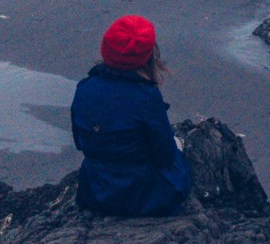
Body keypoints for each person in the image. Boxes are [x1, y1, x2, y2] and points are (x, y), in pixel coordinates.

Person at [71, 15, 193, 217]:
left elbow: (80, 142)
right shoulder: (146, 96)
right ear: (148, 56)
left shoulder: (84, 88)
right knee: (178, 153)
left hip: (95, 190)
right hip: (141, 195)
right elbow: (164, 156)